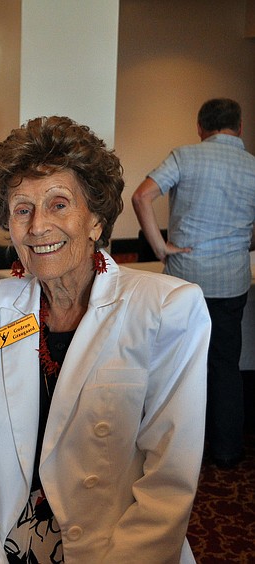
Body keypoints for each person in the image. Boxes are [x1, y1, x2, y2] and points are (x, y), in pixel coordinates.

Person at [0, 116, 209, 563]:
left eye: (59, 205)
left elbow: (168, 481)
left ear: (96, 220)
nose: (39, 226)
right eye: (22, 209)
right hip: (7, 549)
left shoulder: (165, 310)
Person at [132, 98, 255, 469]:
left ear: (200, 128)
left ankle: (177, 451)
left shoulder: (185, 156)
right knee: (225, 364)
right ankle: (228, 449)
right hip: (233, 279)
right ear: (240, 128)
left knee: (177, 363)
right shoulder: (252, 167)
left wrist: (160, 246)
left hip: (186, 280)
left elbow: (141, 196)